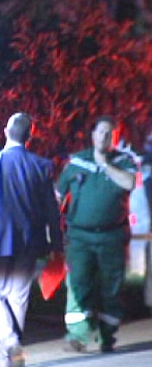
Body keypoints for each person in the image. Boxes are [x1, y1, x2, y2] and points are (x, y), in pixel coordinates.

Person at [0, 112, 64, 367]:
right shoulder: (42, 166)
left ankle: (9, 342)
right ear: (30, 136)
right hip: (30, 240)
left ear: (5, 131)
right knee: (18, 296)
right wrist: (56, 244)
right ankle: (8, 356)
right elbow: (52, 209)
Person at [57, 116, 137, 352]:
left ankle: (106, 335)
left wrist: (105, 165)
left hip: (112, 237)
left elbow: (130, 183)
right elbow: (59, 196)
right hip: (80, 237)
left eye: (108, 133)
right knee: (78, 283)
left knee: (110, 287)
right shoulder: (76, 162)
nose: (103, 137)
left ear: (115, 137)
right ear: (92, 135)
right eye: (100, 132)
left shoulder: (125, 161)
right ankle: (78, 335)